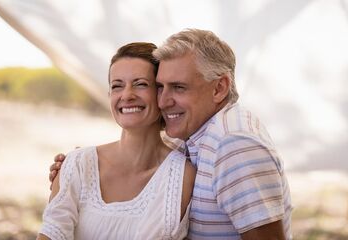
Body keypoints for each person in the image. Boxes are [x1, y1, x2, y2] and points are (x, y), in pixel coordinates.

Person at [50, 29, 293, 240]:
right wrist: (77, 168)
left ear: (219, 87)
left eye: (178, 87)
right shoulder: (197, 135)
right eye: (160, 87)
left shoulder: (233, 145)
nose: (164, 101)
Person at [38, 42, 196, 240]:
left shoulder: (182, 175)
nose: (127, 95)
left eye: (140, 84)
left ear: (161, 93)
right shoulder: (77, 164)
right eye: (117, 86)